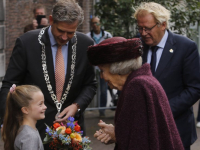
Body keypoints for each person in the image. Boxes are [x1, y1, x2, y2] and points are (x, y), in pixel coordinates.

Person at [0, 0, 97, 149]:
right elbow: (9, 85)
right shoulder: (27, 43)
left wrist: (77, 106)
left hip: (71, 133)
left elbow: (90, 84)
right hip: (33, 132)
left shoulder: (86, 44)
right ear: (51, 20)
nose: (64, 37)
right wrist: (8, 123)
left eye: (70, 32)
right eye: (60, 30)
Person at [88, 37, 184, 150]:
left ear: (117, 68)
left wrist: (117, 135)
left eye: (102, 71)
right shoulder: (144, 81)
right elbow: (143, 130)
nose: (102, 77)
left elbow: (140, 142)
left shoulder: (137, 86)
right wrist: (118, 131)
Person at [134, 2, 200, 150]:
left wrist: (163, 110)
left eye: (148, 28)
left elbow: (195, 88)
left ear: (163, 25)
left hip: (176, 128)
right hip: (144, 130)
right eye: (140, 28)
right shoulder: (137, 46)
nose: (143, 33)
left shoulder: (185, 47)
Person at [2, 84, 47, 150]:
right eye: (40, 104)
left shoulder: (26, 131)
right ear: (25, 110)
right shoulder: (30, 136)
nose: (45, 107)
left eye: (44, 103)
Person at [86, 16, 113, 117]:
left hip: (103, 67)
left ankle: (102, 111)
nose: (95, 25)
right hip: (92, 67)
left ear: (100, 24)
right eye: (93, 23)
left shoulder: (107, 35)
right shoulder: (87, 36)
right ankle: (85, 109)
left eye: (97, 23)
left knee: (103, 89)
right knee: (88, 87)